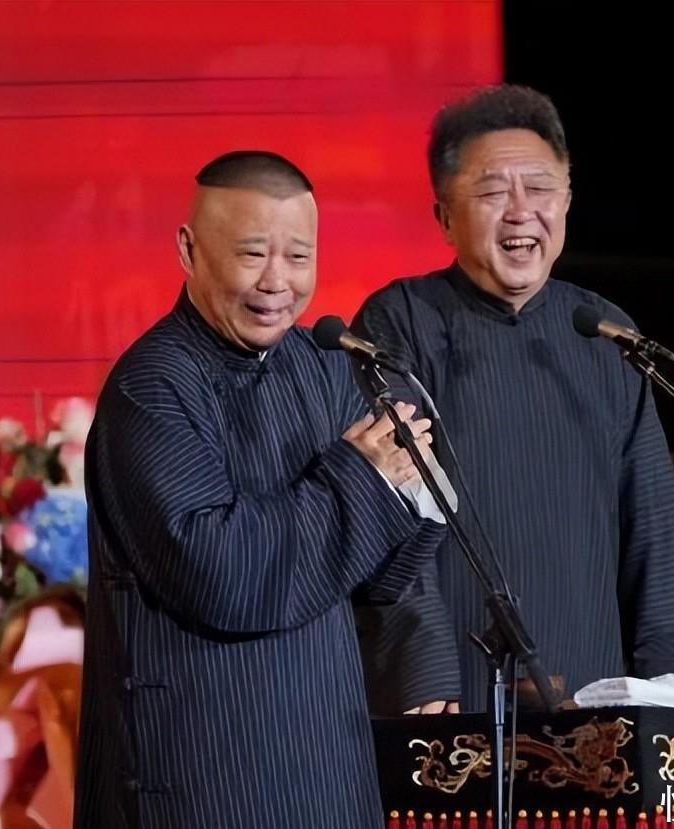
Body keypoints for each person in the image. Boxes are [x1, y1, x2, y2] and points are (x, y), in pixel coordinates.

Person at [74, 150, 446, 828]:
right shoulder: (152, 387)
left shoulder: (323, 366)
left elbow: (378, 580)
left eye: (298, 257)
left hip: (326, 757)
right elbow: (223, 573)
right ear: (188, 249)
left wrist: (416, 481)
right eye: (252, 254)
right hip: (206, 767)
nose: (277, 281)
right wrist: (366, 478)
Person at [353, 85, 674, 716]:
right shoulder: (400, 322)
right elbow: (394, 514)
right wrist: (423, 675)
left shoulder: (603, 333)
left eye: (542, 188)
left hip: (596, 698)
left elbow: (656, 532)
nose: (521, 212)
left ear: (567, 201)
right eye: (493, 193)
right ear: (444, 216)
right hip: (458, 698)